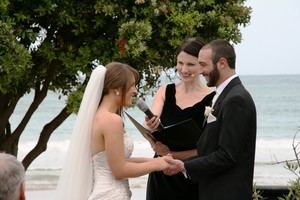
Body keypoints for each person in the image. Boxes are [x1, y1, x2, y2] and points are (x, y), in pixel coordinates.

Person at [55, 62, 170, 200]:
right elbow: (119, 170)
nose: (135, 91)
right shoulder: (112, 120)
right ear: (116, 88)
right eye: (132, 85)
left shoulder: (97, 116)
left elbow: (115, 160)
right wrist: (158, 164)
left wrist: (159, 160)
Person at [164, 39, 257, 200]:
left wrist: (185, 165)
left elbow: (227, 155)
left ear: (222, 63)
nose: (200, 71)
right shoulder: (225, 95)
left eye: (203, 65)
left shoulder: (236, 99)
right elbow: (209, 148)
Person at [144, 37, 215, 200]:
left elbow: (208, 149)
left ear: (202, 65)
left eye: (190, 64)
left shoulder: (213, 98)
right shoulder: (164, 91)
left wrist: (170, 153)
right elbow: (149, 124)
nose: (184, 69)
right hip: (162, 174)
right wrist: (150, 124)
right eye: (180, 63)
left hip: (191, 176)